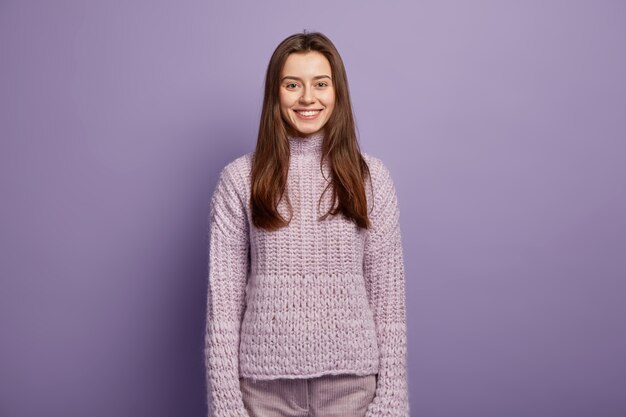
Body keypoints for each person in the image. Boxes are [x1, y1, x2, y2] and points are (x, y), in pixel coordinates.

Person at [205, 31, 409, 417]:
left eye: (321, 84)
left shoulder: (371, 178)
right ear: (275, 94)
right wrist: (226, 404)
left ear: (337, 92)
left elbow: (388, 300)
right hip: (263, 393)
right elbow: (223, 306)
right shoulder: (239, 179)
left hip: (352, 390)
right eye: (292, 84)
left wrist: (392, 399)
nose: (307, 98)